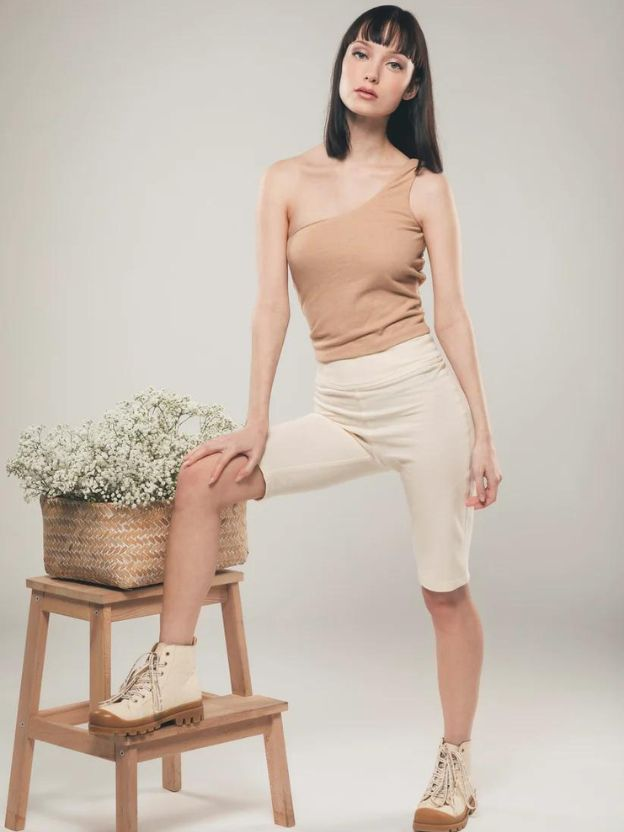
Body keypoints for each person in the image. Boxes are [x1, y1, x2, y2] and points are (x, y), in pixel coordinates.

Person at [89, 5, 502, 831]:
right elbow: (268, 311)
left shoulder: (425, 186)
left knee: (443, 595)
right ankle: (174, 670)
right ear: (341, 64)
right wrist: (255, 422)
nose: (371, 71)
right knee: (203, 479)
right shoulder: (286, 179)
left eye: (392, 64)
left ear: (412, 87)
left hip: (423, 401)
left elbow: (451, 312)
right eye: (361, 53)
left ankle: (455, 762)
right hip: (340, 406)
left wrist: (483, 433)